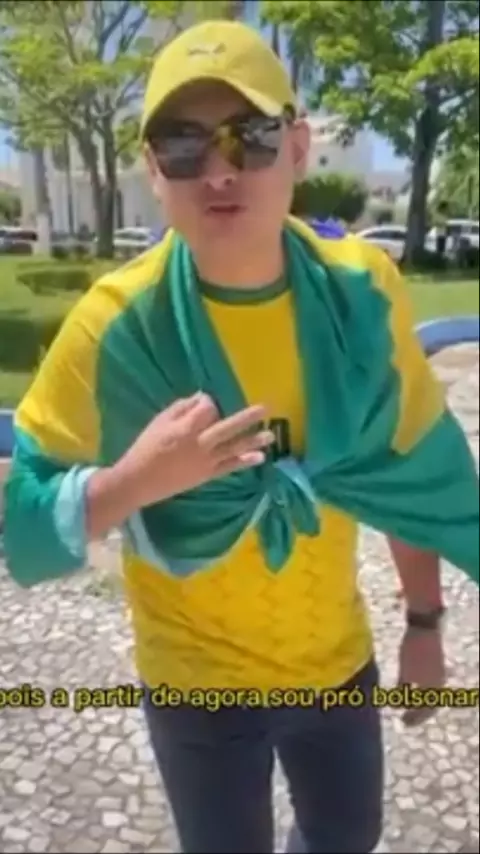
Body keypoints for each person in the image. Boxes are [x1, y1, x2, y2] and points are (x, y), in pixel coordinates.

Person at [3, 20, 479, 854]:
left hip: (335, 669)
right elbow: (24, 531)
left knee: (346, 838)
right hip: (195, 691)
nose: (219, 169)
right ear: (153, 169)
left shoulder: (361, 296)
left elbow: (401, 469)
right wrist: (138, 481)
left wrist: (424, 625)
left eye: (249, 137)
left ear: (296, 147)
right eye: (183, 145)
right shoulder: (112, 328)